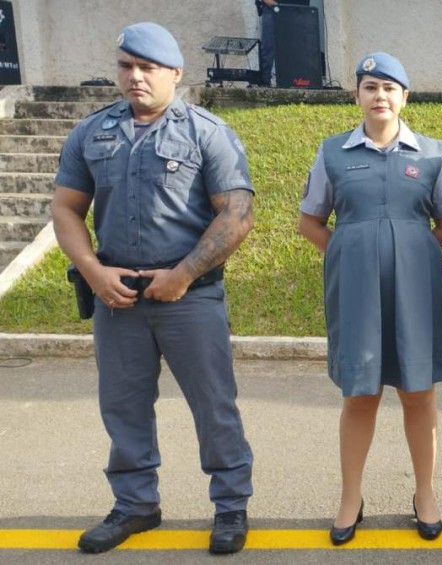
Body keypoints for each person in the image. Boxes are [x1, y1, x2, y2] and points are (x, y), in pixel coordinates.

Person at [51, 22, 255, 554]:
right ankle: (135, 504)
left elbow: (236, 215)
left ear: (175, 74)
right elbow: (66, 208)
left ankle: (231, 506)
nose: (135, 76)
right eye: (126, 66)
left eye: (148, 67)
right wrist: (94, 272)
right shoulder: (91, 133)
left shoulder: (207, 132)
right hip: (116, 297)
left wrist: (183, 274)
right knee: (123, 406)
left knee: (214, 406)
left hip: (190, 297)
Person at [297, 51, 442, 545]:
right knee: (360, 394)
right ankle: (351, 498)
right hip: (356, 295)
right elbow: (310, 222)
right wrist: (352, 254)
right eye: (371, 87)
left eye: (390, 88)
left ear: (404, 97)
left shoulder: (430, 153)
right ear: (357, 96)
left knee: (419, 393)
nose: (380, 96)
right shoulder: (332, 153)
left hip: (417, 292)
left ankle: (425, 494)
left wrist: (410, 254)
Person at [255, 0, 277, 86]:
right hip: (270, 10)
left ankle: (289, 80)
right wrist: (278, 5)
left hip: (290, 10)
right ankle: (265, 82)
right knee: (268, 47)